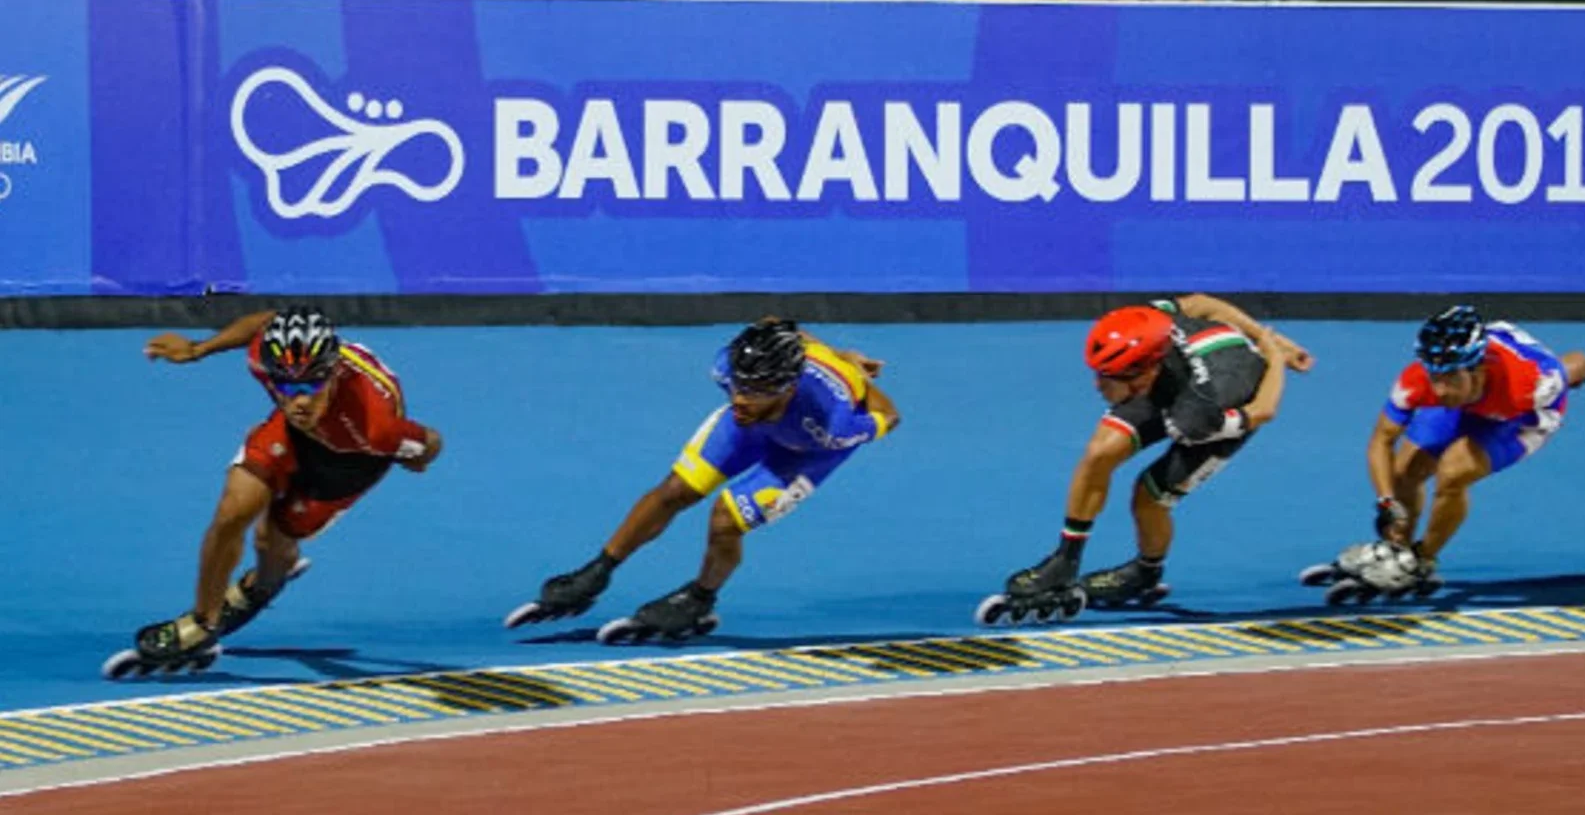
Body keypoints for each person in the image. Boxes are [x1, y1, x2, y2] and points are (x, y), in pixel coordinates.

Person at [506, 319, 900, 642]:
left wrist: (853, 374)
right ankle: (596, 571)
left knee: (726, 521)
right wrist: (834, 352)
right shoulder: (731, 367)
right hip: (755, 430)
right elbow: (776, 324)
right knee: (675, 490)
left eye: (756, 391)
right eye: (739, 387)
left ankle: (699, 599)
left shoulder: (833, 425)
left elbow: (890, 415)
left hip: (804, 452)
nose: (741, 398)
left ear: (789, 386)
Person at [110, 306, 444, 676]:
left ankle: (267, 580)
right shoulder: (267, 359)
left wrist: (417, 457)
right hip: (293, 435)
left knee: (271, 540)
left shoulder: (374, 426)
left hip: (352, 460)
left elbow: (430, 441)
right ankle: (204, 622)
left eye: (311, 385)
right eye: (286, 386)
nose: (299, 400)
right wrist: (198, 349)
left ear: (333, 374)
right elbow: (265, 321)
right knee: (231, 514)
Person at [979, 296, 1313, 624]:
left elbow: (1264, 410)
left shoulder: (1195, 415)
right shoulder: (1149, 321)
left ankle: (1146, 571)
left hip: (1218, 408)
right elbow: (1201, 303)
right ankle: (1065, 559)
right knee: (1099, 453)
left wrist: (1272, 354)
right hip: (1174, 380)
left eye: (1109, 378)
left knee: (1148, 498)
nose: (1097, 386)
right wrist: (1262, 332)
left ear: (1145, 373)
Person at [1319, 307, 1585, 599]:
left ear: (1477, 369)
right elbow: (1381, 441)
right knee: (1404, 472)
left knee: (1453, 471)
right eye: (1434, 376)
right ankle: (1397, 552)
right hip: (1471, 404)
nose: (1440, 388)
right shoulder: (1417, 381)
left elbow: (1579, 363)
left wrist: (1577, 375)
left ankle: (1422, 561)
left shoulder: (1531, 384)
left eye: (1450, 378)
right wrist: (1386, 503)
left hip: (1519, 420)